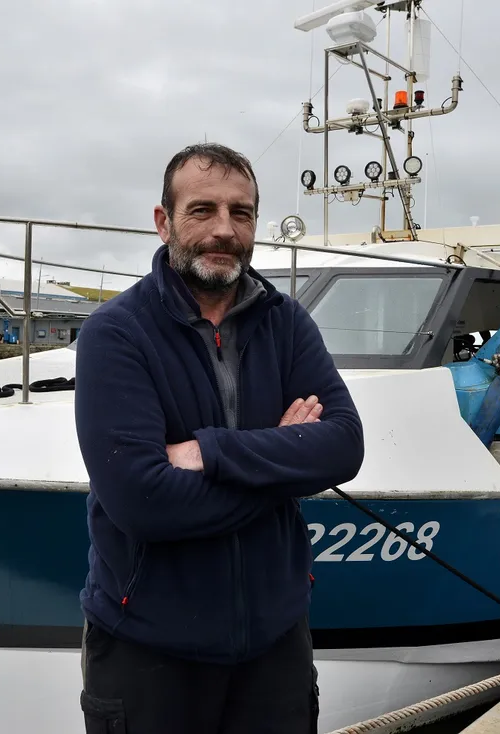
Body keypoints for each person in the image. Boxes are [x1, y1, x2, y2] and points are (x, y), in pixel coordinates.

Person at [73, 142, 365, 733]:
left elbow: (343, 445)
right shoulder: (115, 333)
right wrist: (282, 464)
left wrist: (209, 452)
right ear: (164, 222)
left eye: (242, 212)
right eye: (202, 210)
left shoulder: (287, 322)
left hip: (275, 647)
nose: (225, 230)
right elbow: (141, 501)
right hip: (147, 650)